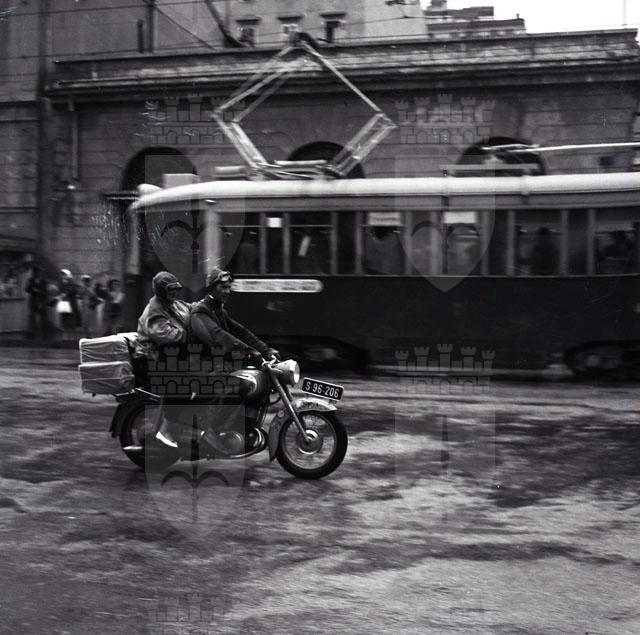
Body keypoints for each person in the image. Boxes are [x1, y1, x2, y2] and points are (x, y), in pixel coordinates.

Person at [188, 267, 280, 451]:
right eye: (223, 287)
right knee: (241, 385)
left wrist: (265, 350)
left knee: (258, 380)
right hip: (200, 368)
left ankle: (245, 428)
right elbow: (219, 337)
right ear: (212, 287)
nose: (228, 291)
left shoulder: (219, 311)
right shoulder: (201, 312)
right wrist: (250, 353)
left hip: (216, 366)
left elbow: (241, 332)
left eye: (229, 287)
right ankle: (210, 431)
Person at [134, 271, 192, 448]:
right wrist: (190, 336)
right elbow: (165, 334)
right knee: (184, 384)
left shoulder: (174, 304)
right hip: (151, 358)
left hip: (168, 355)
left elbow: (192, 308)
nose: (174, 293)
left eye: (176, 289)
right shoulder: (155, 309)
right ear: (161, 291)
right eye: (170, 290)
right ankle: (165, 430)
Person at [25, 265, 48, 339]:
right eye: (37, 272)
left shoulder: (43, 281)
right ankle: (33, 334)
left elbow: (45, 293)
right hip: (33, 302)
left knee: (43, 318)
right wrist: (31, 287)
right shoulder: (31, 280)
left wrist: (37, 291)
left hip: (41, 301)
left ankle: (44, 334)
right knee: (32, 317)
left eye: (39, 272)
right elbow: (27, 289)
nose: (38, 273)